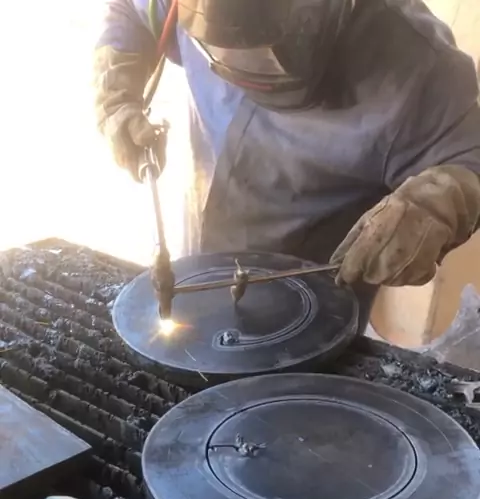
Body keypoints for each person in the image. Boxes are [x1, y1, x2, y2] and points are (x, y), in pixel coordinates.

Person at [93, 0, 480, 330]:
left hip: (311, 312)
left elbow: (469, 157)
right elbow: (131, 12)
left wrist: (436, 204)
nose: (239, 69)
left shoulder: (419, 69)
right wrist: (117, 93)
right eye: (218, 50)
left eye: (261, 54)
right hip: (200, 257)